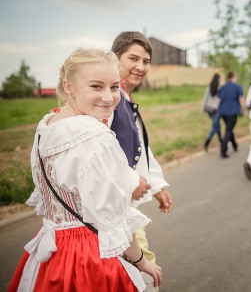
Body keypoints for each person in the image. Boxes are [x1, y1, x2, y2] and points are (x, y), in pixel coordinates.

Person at [8, 49, 162, 292]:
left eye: (114, 87)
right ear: (68, 87)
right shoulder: (96, 138)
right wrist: (141, 261)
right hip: (89, 258)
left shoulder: (47, 126)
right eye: (96, 86)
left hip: (51, 255)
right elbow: (114, 218)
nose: (109, 97)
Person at [109, 32, 172, 274]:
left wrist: (156, 185)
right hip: (115, 209)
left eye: (145, 61)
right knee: (140, 274)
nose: (140, 67)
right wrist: (130, 180)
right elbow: (99, 153)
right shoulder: (110, 98)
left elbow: (139, 147)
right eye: (133, 58)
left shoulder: (124, 97)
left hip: (125, 206)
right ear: (115, 58)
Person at [217, 70, 246, 158]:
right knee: (229, 130)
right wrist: (244, 110)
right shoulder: (237, 87)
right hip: (232, 112)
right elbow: (241, 100)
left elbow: (218, 100)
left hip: (223, 112)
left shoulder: (223, 87)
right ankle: (223, 150)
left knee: (229, 128)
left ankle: (234, 145)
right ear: (234, 77)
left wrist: (218, 111)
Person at [201, 73, 222, 151]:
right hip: (216, 110)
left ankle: (221, 141)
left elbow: (205, 99)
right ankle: (207, 141)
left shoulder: (209, 87)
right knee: (215, 126)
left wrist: (202, 110)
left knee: (217, 125)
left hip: (209, 109)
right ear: (218, 79)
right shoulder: (219, 88)